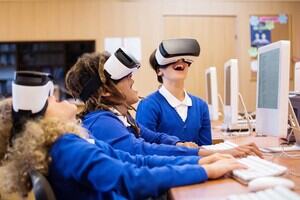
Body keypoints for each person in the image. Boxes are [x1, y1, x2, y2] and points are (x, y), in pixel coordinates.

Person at [0, 71, 245, 200]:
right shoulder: (66, 148)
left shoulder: (66, 144)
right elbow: (131, 177)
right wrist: (203, 169)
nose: (59, 98)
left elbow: (135, 160)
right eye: (51, 99)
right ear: (40, 121)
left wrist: (198, 161)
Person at [66, 48, 262, 158]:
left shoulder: (119, 118)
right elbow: (141, 150)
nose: (132, 80)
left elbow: (152, 137)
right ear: (107, 91)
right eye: (126, 77)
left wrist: (179, 143)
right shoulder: (101, 123)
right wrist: (200, 157)